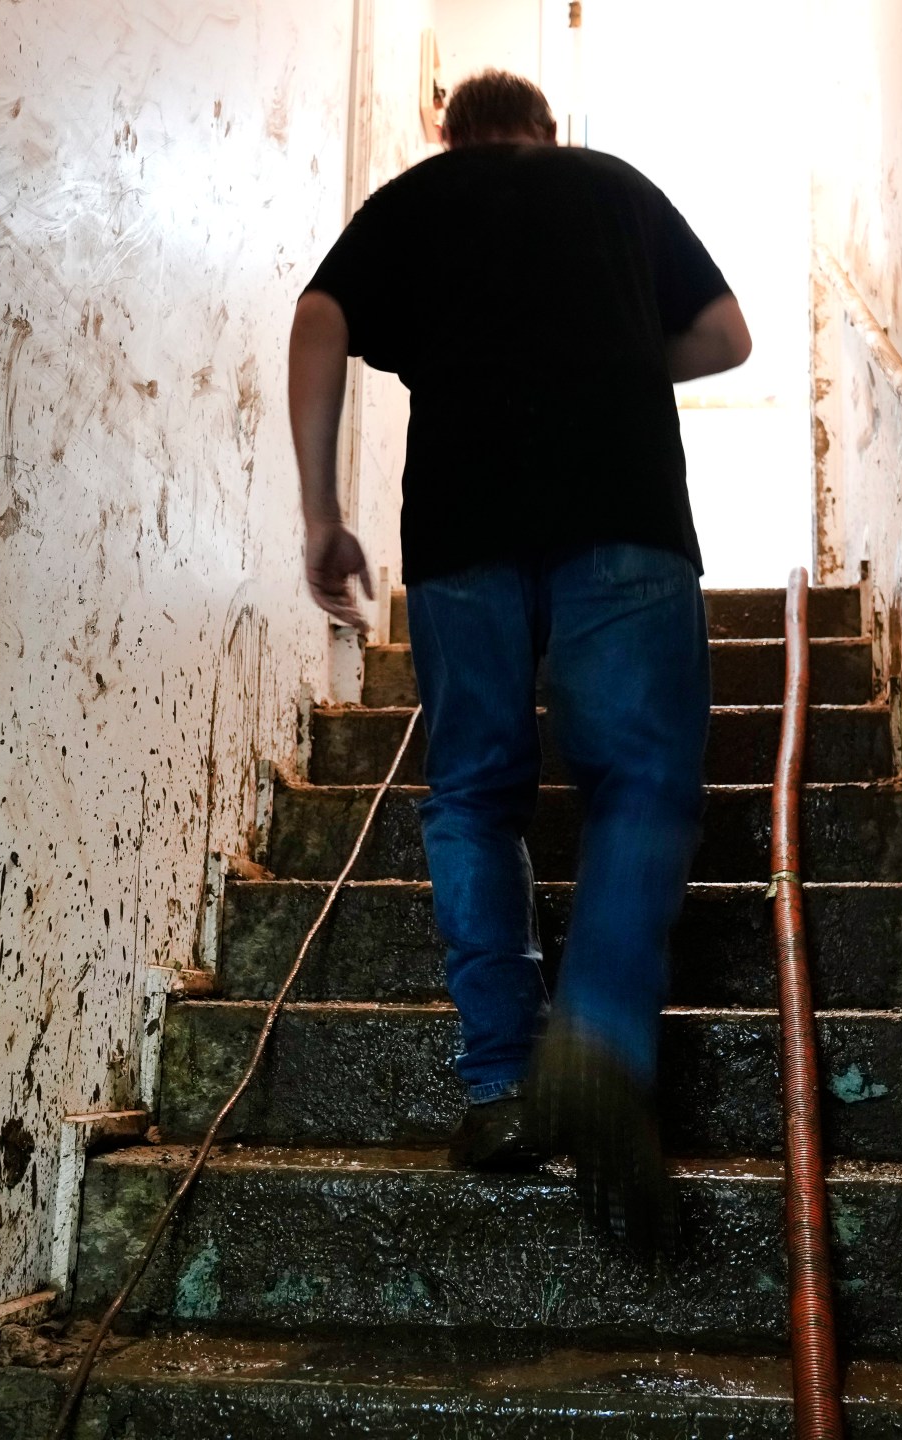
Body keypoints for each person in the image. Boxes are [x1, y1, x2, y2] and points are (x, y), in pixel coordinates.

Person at [285, 70, 751, 1255]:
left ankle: (501, 1082)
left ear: (453, 133)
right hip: (626, 519)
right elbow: (724, 336)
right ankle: (595, 1044)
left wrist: (320, 513)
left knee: (477, 795)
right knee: (640, 786)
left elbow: (319, 319)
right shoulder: (613, 188)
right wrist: (614, 360)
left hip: (461, 537)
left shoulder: (417, 197)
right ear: (548, 130)